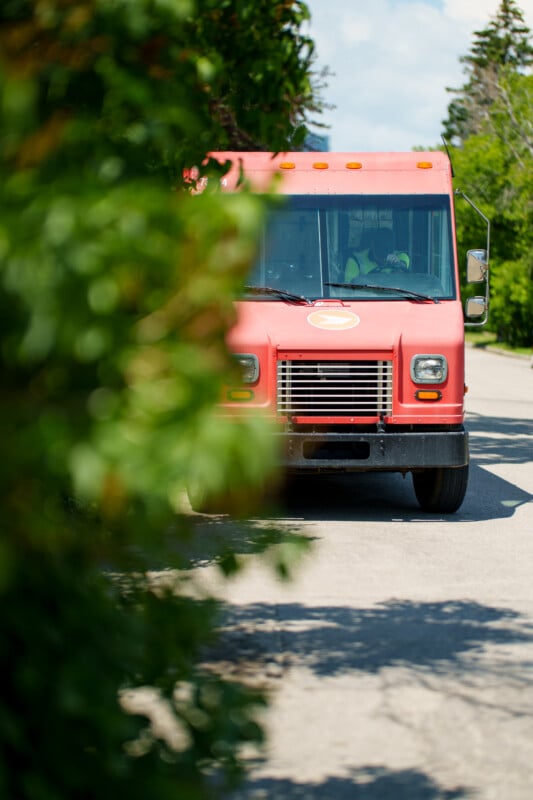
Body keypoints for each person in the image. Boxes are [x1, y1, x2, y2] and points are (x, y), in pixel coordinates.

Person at [345, 227, 409, 281]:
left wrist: (398, 266)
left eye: (386, 255)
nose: (383, 260)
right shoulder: (355, 260)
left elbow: (405, 280)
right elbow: (348, 290)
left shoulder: (401, 257)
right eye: (380, 255)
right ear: (372, 246)